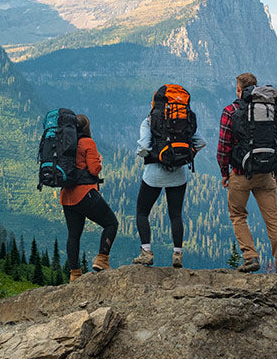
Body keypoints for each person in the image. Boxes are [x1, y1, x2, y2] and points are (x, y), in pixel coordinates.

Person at [218, 73, 277, 274]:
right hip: (267, 173)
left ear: (239, 89)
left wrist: (224, 172)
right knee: (272, 218)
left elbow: (223, 145)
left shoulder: (231, 111)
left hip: (240, 174)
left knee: (238, 215)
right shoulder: (270, 109)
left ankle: (250, 257)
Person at [132, 86, 204, 268]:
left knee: (142, 212)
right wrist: (188, 155)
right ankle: (177, 255)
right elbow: (201, 142)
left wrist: (148, 154)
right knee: (175, 215)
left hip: (153, 174)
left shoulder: (149, 120)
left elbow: (143, 147)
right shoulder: (185, 119)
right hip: (178, 174)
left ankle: (146, 252)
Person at [61, 114, 118, 280]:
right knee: (111, 223)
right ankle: (102, 259)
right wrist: (99, 160)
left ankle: (74, 274)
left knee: (73, 235)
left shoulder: (64, 143)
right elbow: (94, 170)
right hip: (85, 193)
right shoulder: (87, 142)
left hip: (67, 196)